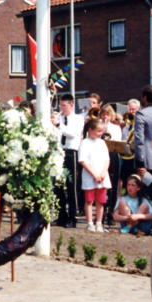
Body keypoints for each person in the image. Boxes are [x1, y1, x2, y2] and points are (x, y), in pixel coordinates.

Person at [51, 94, 83, 227]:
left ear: (71, 105)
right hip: (59, 152)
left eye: (64, 105)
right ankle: (61, 215)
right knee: (57, 185)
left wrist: (59, 125)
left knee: (71, 185)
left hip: (71, 152)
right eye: (60, 105)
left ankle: (72, 216)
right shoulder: (58, 118)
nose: (61, 108)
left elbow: (72, 133)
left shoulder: (78, 119)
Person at [78, 118, 111, 232]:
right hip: (90, 175)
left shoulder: (102, 142)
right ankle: (90, 223)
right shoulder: (84, 142)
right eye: (98, 131)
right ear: (90, 130)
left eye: (101, 131)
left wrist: (103, 173)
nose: (100, 133)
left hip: (102, 175)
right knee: (89, 200)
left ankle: (99, 223)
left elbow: (107, 159)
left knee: (100, 201)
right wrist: (94, 174)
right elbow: (83, 160)